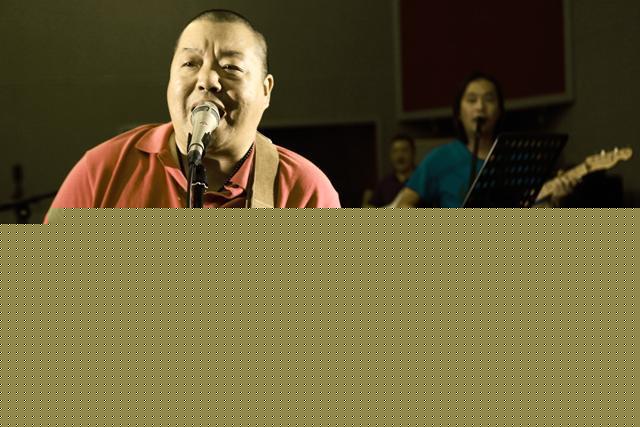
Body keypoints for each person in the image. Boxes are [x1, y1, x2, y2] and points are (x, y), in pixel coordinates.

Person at [46, 9, 340, 217]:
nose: (207, 80)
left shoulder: (304, 191)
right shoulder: (103, 170)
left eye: (231, 67)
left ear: (266, 91)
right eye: (190, 64)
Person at [391, 72, 504, 208]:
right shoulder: (440, 158)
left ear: (499, 111)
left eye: (489, 99)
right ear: (459, 113)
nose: (480, 107)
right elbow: (403, 205)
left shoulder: (516, 156)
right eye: (471, 100)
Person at [362, 134, 416, 207]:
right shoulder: (384, 184)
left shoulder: (422, 180)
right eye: (395, 151)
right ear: (390, 155)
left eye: (404, 150)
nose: (400, 156)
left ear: (413, 153)